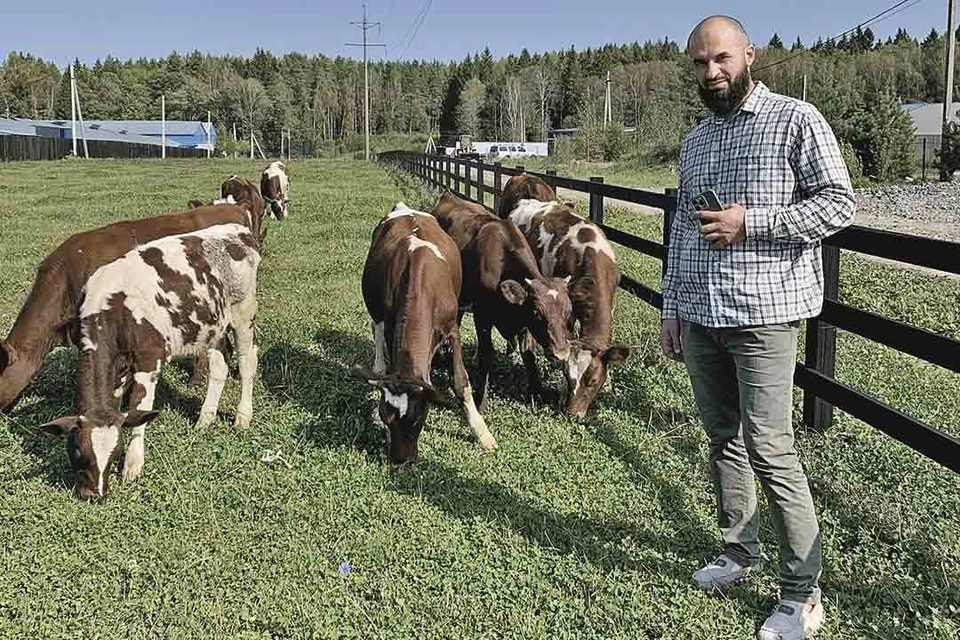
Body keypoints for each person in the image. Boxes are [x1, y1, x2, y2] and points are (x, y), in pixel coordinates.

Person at [660, 14, 855, 640]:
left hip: (763, 316)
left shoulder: (796, 120)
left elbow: (838, 203)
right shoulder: (695, 141)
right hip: (702, 317)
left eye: (720, 58)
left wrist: (755, 224)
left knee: (771, 448)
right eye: (699, 62)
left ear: (749, 55)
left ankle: (802, 593)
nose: (710, 72)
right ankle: (739, 550)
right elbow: (683, 229)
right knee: (722, 437)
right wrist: (672, 306)